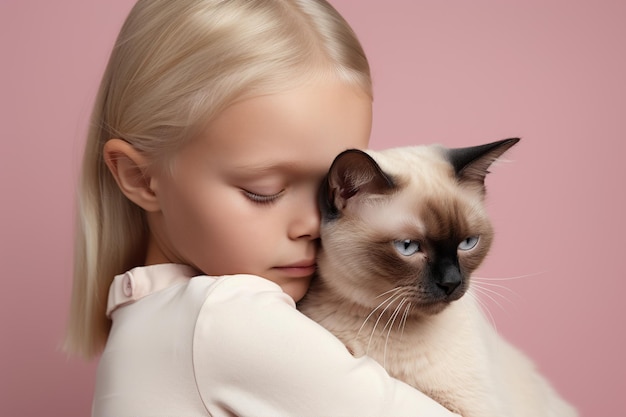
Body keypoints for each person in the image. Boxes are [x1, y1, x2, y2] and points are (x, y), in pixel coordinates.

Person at [64, 0, 461, 415]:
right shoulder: (224, 319)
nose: (313, 222)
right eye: (264, 191)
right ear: (141, 178)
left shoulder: (147, 321)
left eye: (336, 191)